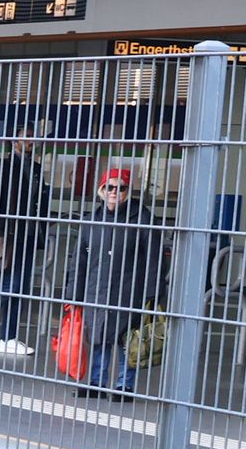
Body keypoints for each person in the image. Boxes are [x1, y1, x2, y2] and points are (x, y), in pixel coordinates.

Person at [61, 163, 168, 399]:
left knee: (126, 339)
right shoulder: (92, 220)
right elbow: (79, 258)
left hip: (129, 289)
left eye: (120, 188)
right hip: (96, 289)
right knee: (99, 337)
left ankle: (124, 385)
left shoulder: (141, 218)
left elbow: (154, 256)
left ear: (127, 192)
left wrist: (152, 291)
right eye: (109, 187)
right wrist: (73, 292)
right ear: (101, 189)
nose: (113, 192)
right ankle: (97, 382)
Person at [0, 127, 56, 361]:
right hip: (9, 233)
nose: (31, 140)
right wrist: (1, 227)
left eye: (34, 136)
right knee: (13, 284)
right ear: (14, 140)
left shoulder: (35, 169)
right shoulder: (2, 166)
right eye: (26, 135)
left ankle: (8, 337)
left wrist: (43, 227)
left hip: (28, 234)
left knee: (21, 287)